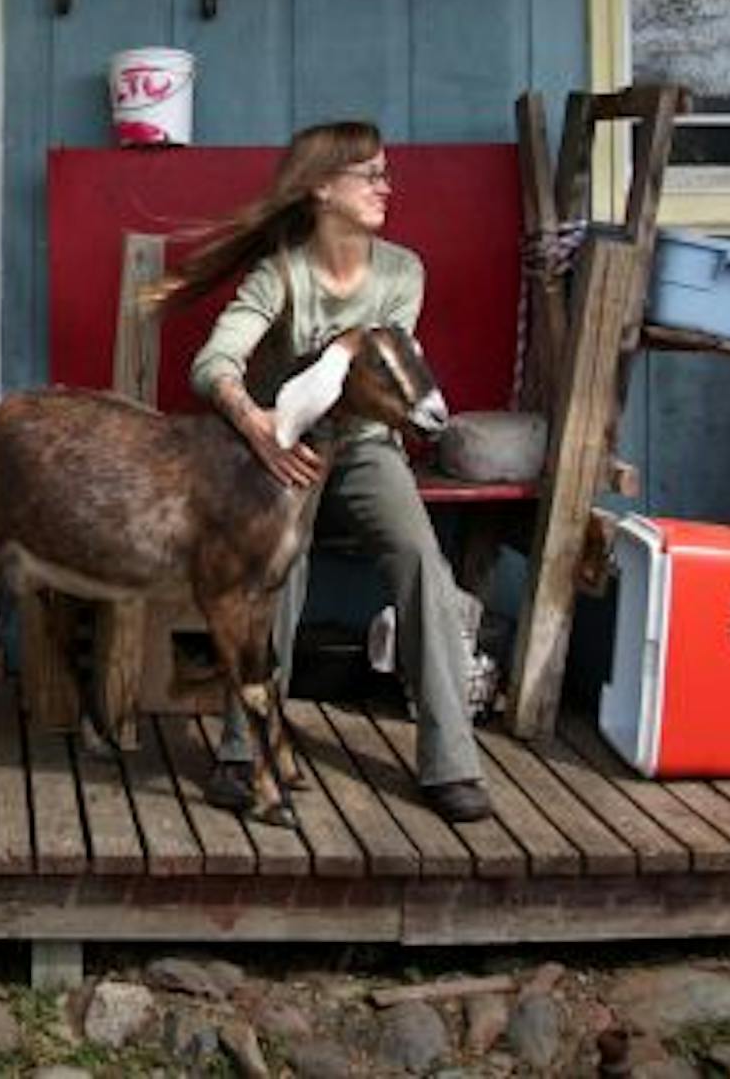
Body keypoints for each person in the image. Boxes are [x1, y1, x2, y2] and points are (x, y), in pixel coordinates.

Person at [162, 119, 492, 825]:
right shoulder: (280, 272)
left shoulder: (402, 272)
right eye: (368, 174)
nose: (385, 186)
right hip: (286, 449)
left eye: (386, 172)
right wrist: (256, 425)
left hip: (369, 445)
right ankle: (240, 749)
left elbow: (389, 375)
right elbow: (213, 363)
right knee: (278, 571)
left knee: (420, 559)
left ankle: (451, 760)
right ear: (320, 187)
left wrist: (347, 358)